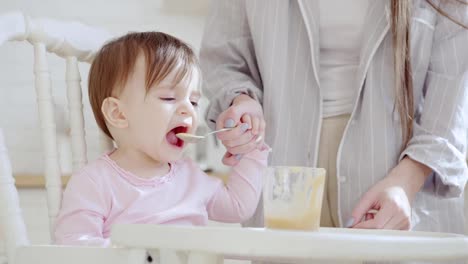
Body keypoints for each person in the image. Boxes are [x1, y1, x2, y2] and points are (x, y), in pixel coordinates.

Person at [200, 0, 468, 236]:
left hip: (400, 174)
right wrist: (241, 101)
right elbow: (224, 60)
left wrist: (405, 184)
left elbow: (451, 100)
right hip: (286, 171)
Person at [54, 31, 269, 246]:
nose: (188, 110)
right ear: (118, 114)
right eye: (168, 97)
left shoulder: (189, 175)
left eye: (194, 102)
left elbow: (238, 206)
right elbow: (73, 245)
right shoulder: (95, 182)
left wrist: (251, 149)